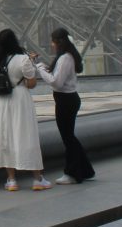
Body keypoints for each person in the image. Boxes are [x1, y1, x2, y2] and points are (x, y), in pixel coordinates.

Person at [0, 29, 51, 191]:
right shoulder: (23, 59)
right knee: (26, 135)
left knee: (5, 138)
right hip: (19, 99)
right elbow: (31, 84)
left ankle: (11, 180)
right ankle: (37, 179)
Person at [31, 28, 95, 184]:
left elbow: (56, 82)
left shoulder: (65, 58)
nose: (52, 45)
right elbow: (56, 75)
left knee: (68, 138)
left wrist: (39, 68)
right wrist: (39, 64)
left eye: (53, 41)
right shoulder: (67, 56)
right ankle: (85, 170)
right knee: (70, 137)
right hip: (68, 99)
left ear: (58, 42)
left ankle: (73, 173)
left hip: (65, 100)